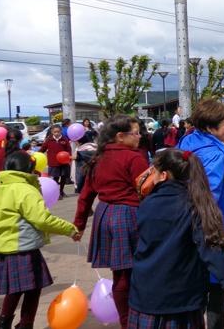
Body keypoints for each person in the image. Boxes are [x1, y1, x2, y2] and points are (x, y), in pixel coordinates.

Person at [129, 149, 224, 328]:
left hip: (144, 292)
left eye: (154, 171)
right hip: (181, 298)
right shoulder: (195, 205)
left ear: (164, 175)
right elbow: (210, 247)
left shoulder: (146, 203)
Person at [0, 151, 79, 329]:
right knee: (33, 289)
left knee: (14, 291)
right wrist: (70, 229)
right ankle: (26, 324)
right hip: (24, 247)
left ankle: (4, 324)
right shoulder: (26, 190)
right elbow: (42, 219)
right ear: (29, 169)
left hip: (4, 248)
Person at [74, 115, 150, 328]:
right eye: (135, 133)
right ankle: (135, 318)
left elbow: (86, 195)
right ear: (120, 136)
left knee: (120, 274)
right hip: (129, 215)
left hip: (105, 214)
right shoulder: (134, 157)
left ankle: (126, 320)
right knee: (134, 272)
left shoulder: (98, 158)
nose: (139, 137)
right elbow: (147, 190)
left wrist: (79, 225)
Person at [177, 100, 224, 329]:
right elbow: (207, 199)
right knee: (217, 288)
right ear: (211, 127)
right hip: (211, 227)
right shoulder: (214, 154)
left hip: (185, 226)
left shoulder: (187, 142)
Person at [39, 125, 71, 199]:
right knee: (55, 178)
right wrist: (37, 154)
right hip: (53, 162)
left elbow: (68, 149)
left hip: (63, 162)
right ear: (52, 132)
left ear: (61, 131)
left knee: (63, 177)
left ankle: (61, 191)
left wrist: (69, 157)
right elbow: (43, 148)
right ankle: (56, 192)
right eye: (55, 132)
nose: (56, 133)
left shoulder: (64, 139)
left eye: (58, 132)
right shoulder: (49, 139)